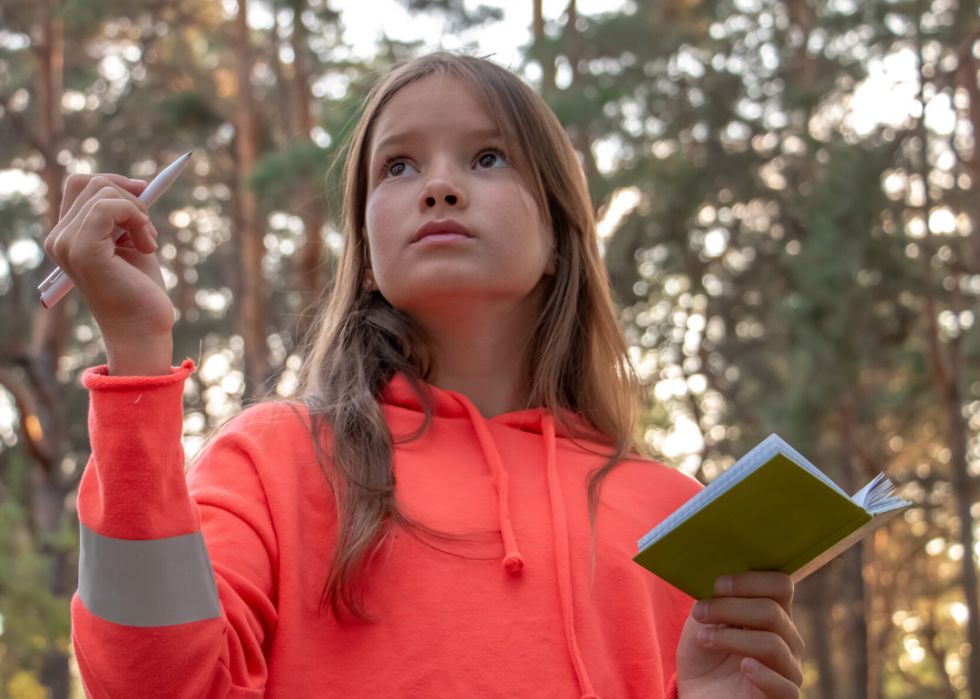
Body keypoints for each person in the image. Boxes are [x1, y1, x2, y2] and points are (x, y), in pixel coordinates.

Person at [47, 52, 804, 698]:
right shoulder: (274, 459)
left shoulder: (674, 512)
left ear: (555, 237)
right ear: (368, 255)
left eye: (488, 157)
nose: (439, 187)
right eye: (399, 166)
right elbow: (154, 681)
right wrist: (140, 350)